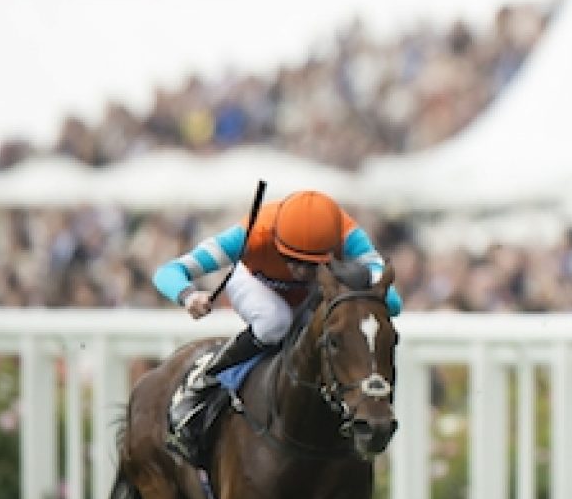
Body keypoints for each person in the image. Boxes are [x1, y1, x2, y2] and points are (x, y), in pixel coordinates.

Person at [154, 189, 403, 461]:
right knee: (276, 322)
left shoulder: (349, 237)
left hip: (319, 295)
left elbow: (392, 302)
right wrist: (188, 295)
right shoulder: (251, 234)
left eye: (312, 265)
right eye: (291, 260)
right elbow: (169, 272)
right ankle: (206, 379)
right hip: (256, 283)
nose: (299, 272)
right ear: (275, 240)